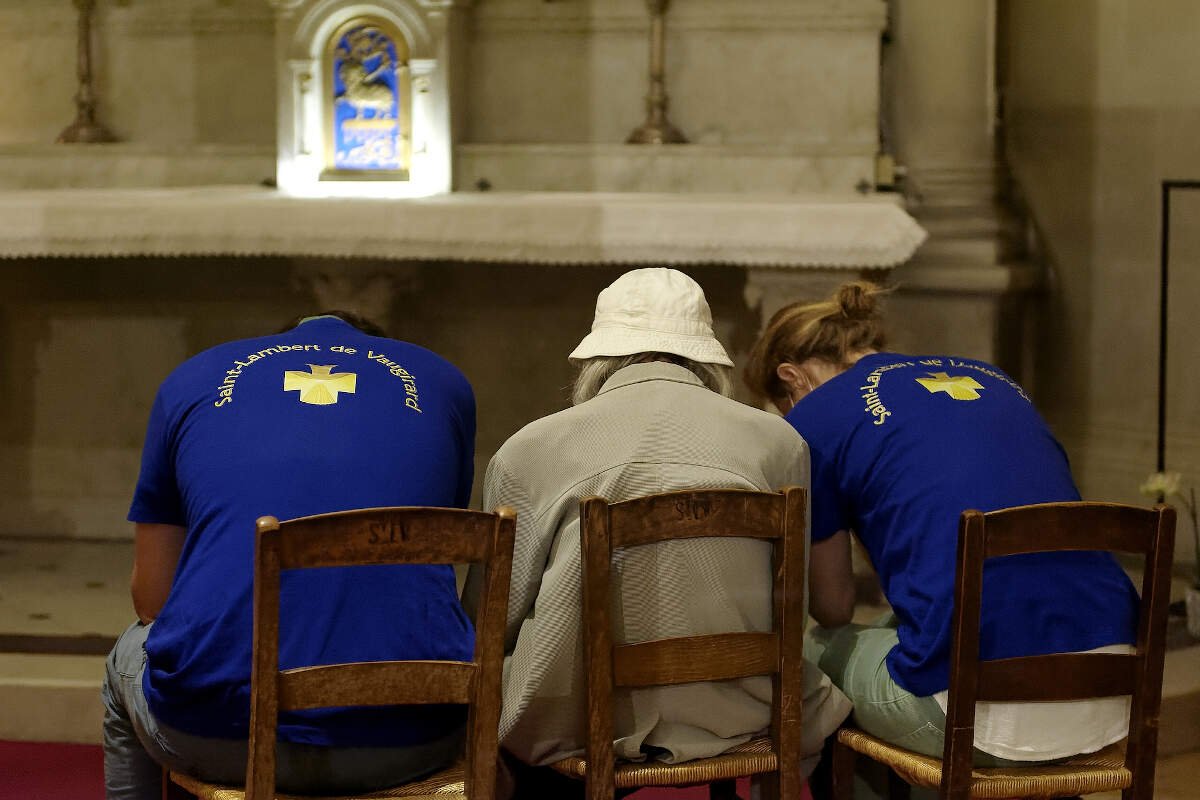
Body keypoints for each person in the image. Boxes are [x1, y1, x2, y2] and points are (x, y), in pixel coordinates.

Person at [464, 268, 851, 796]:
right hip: (750, 707)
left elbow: (493, 618)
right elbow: (794, 599)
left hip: (576, 718)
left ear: (598, 359)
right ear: (705, 356)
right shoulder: (779, 442)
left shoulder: (531, 449)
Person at [743, 281, 1140, 766]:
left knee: (814, 655)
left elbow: (833, 607)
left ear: (792, 379)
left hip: (977, 719)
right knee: (908, 623)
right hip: (1114, 689)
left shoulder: (815, 417)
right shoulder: (990, 378)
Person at [103, 312, 477, 800]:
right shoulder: (442, 381)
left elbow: (152, 600)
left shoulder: (192, 377)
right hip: (410, 734)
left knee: (126, 659)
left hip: (218, 735)